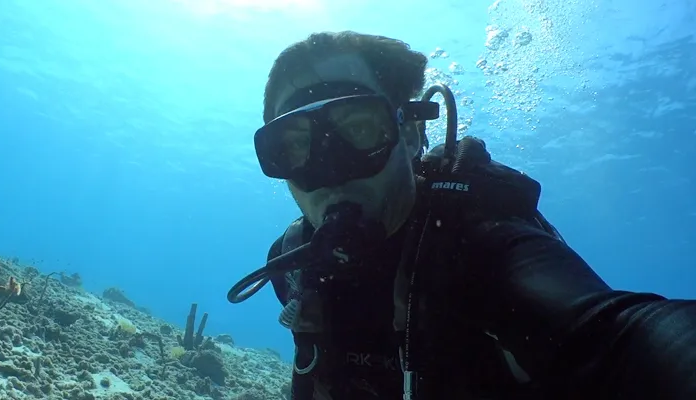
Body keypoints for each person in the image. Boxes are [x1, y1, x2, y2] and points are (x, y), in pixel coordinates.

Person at [227, 31, 696, 400]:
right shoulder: (292, 265)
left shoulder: (479, 247)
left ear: (410, 133)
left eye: (358, 128)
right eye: (294, 146)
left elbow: (619, 336)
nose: (327, 171)